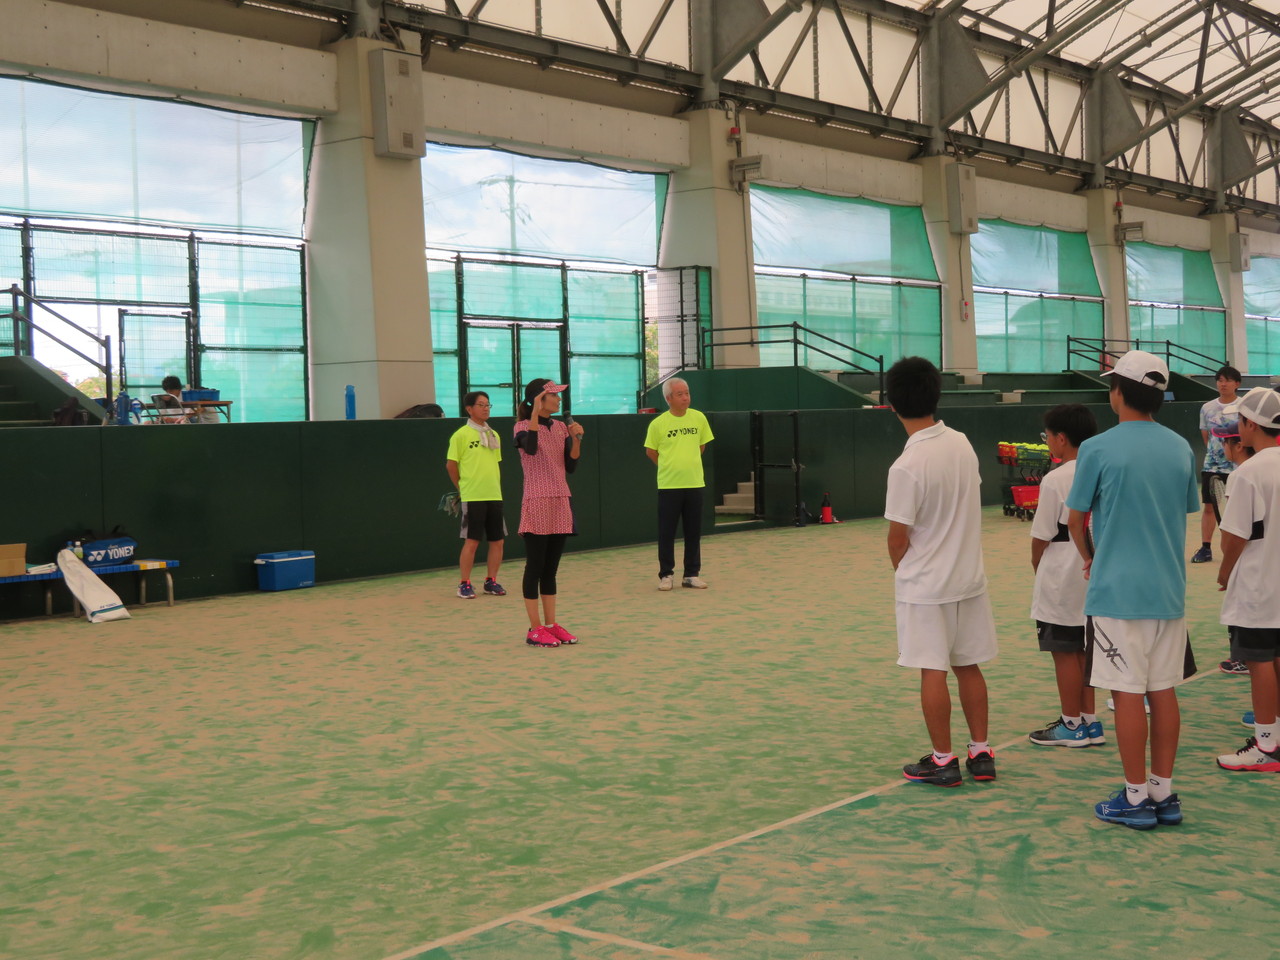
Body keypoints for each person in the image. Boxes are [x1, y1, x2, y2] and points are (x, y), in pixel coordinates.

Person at [1066, 350, 1199, 830]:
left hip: (1117, 594)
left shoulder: (1096, 448)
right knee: (1162, 691)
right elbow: (1183, 509)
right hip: (1169, 593)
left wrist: (1091, 557)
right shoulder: (1181, 448)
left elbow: (1075, 520)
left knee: (1126, 693)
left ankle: (1136, 797)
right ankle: (1163, 793)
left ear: (1119, 392)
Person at [884, 356, 997, 787]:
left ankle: (943, 760)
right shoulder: (962, 443)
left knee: (933, 669)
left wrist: (907, 571)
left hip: (927, 587)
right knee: (968, 665)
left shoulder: (906, 466)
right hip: (969, 579)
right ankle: (981, 752)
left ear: (892, 403)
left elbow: (898, 539)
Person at [1026, 404, 1102, 748]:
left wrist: (1037, 566)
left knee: (1064, 652)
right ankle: (1090, 721)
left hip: (1061, 576)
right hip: (1093, 572)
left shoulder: (1055, 479)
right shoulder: (1102, 469)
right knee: (1084, 649)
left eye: (1047, 437)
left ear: (1061, 438)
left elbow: (1041, 536)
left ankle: (1071, 724)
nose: (1047, 442)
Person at [1213, 387, 1280, 772]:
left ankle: (1267, 745)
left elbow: (1234, 536)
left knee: (1259, 661)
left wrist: (1225, 573)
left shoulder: (1247, 473)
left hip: (1258, 587)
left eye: (1240, 419)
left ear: (1251, 424)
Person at [514, 378, 584, 648]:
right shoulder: (521, 427)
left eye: (557, 395)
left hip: (560, 500)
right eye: (553, 395)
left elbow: (571, 466)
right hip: (537, 501)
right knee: (535, 567)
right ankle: (535, 629)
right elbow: (531, 449)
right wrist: (533, 414)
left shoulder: (561, 427)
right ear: (538, 400)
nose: (558, 399)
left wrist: (576, 439)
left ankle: (551, 625)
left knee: (550, 569)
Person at [644, 377, 715, 591]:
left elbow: (701, 446)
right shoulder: (658, 424)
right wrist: (669, 466)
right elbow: (651, 451)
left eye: (687, 393)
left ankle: (691, 574)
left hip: (694, 483)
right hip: (669, 486)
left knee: (693, 531)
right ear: (668, 398)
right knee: (667, 532)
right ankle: (666, 574)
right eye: (680, 394)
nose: (685, 398)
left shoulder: (699, 418)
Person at [445, 391, 506, 600]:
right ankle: (464, 583)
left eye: (488, 404)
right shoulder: (460, 435)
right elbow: (451, 465)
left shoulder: (494, 434)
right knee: (472, 541)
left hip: (494, 495)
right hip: (473, 496)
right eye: (481, 405)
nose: (486, 408)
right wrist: (462, 488)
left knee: (498, 541)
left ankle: (491, 581)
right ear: (469, 409)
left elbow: (494, 464)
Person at [1213, 419, 1254, 676]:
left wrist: (1225, 571)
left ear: (1237, 445)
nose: (1221, 446)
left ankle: (1244, 660)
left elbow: (1235, 534)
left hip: (1249, 565)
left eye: (1224, 441)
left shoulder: (1240, 476)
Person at [1192, 365, 1243, 563]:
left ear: (1237, 384)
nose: (1223, 384)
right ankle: (1206, 548)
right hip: (1212, 466)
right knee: (1209, 508)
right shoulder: (1207, 408)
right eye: (1220, 380)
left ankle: (1236, 549)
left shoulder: (1244, 406)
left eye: (1227, 380)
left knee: (1235, 508)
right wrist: (1216, 455)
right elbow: (1206, 436)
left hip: (1238, 466)